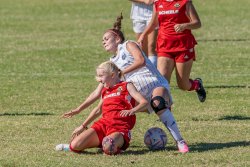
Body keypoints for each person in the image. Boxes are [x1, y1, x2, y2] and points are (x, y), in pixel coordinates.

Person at [62, 13, 189, 153]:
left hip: (154, 84)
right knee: (111, 106)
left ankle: (180, 141)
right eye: (102, 40)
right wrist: (78, 109)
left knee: (158, 103)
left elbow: (141, 61)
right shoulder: (111, 64)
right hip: (137, 94)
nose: (103, 42)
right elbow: (98, 92)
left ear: (117, 39)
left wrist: (123, 73)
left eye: (106, 38)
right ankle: (111, 139)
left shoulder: (128, 44)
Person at [56, 61, 148, 155]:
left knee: (109, 147)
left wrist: (132, 110)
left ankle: (112, 144)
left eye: (101, 76)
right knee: (75, 145)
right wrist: (82, 126)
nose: (99, 79)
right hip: (103, 125)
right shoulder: (105, 90)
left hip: (119, 128)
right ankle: (103, 142)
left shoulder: (127, 85)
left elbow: (144, 103)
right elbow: (98, 110)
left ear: (112, 75)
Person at [138, 0, 206, 102]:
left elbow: (197, 23)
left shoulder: (185, 2)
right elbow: (153, 24)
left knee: (183, 84)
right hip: (164, 46)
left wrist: (185, 25)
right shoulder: (158, 3)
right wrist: (143, 35)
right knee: (162, 83)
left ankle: (197, 85)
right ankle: (166, 116)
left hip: (183, 46)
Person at [129, 0, 157, 66]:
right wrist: (144, 1)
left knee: (151, 46)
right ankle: (146, 70)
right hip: (138, 15)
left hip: (154, 12)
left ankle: (154, 73)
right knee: (141, 47)